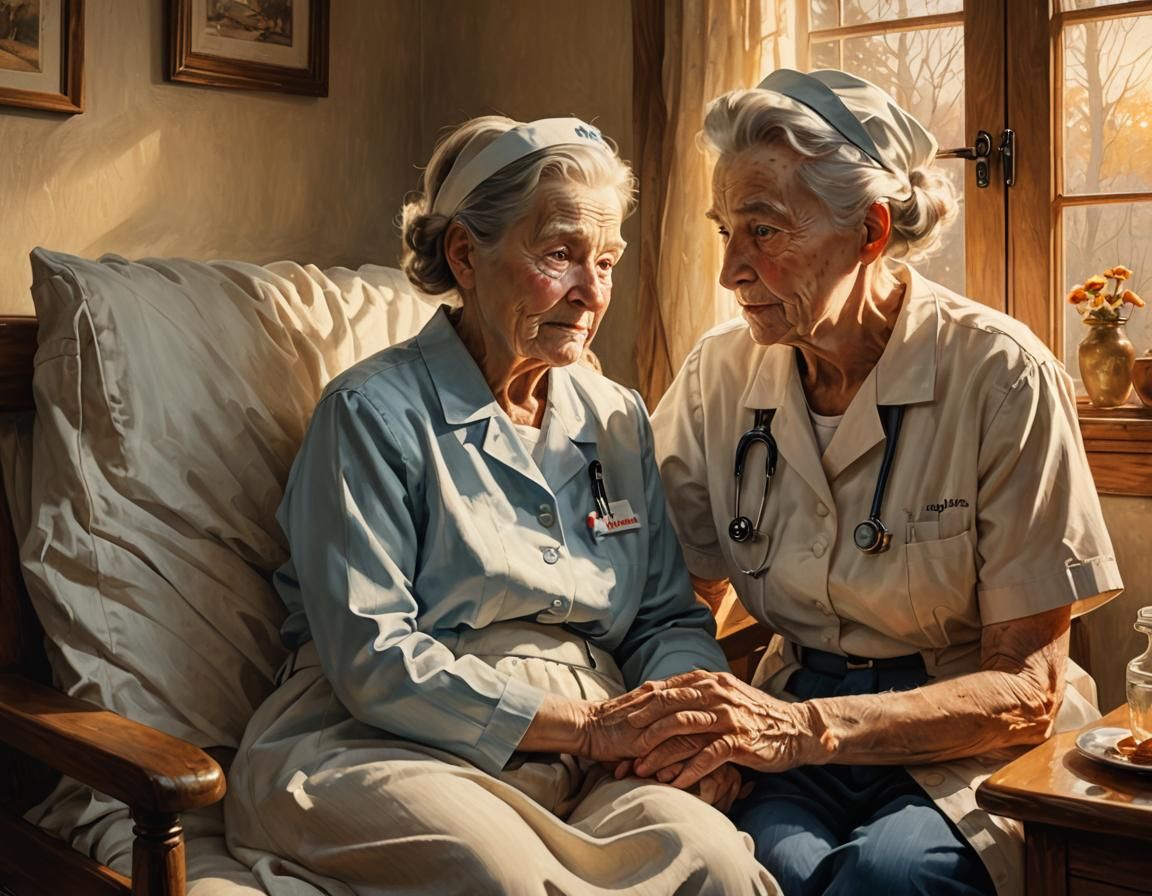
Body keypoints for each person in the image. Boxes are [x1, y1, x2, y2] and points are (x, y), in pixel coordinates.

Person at [223, 114, 778, 896]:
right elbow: (372, 659)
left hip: (597, 745)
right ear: (465, 255)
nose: (591, 294)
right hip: (382, 740)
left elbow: (665, 620)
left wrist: (686, 735)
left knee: (714, 859)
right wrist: (585, 726)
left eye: (608, 262)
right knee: (498, 878)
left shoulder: (614, 415)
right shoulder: (372, 415)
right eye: (560, 255)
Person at [643, 70, 1124, 896]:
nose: (730, 270)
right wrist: (690, 723)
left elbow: (1027, 686)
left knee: (886, 881)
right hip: (794, 701)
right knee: (757, 870)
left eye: (763, 231)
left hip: (964, 732)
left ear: (868, 231)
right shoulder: (718, 375)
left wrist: (802, 730)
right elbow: (676, 591)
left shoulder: (1001, 376)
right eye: (725, 230)